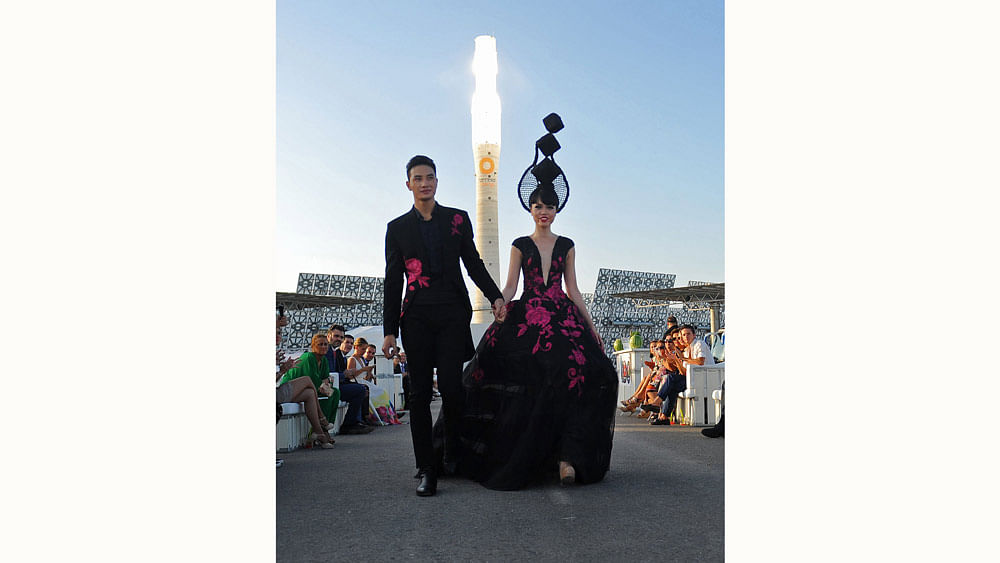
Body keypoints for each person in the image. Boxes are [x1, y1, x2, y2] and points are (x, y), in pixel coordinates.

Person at [440, 182, 618, 491]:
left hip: (563, 316)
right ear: (530, 209)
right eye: (538, 206)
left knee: (591, 373)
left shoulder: (567, 244)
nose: (543, 212)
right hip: (529, 316)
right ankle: (540, 457)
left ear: (557, 210)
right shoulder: (520, 244)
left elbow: (572, 289)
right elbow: (511, 285)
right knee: (532, 380)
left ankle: (568, 457)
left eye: (549, 207)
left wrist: (591, 327)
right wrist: (499, 304)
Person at [382, 154, 506, 497]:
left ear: (437, 181)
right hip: (416, 316)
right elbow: (393, 280)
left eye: (430, 177)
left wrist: (496, 297)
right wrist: (389, 329)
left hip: (453, 313)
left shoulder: (457, 219)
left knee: (452, 388)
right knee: (419, 394)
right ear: (408, 184)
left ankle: (454, 452)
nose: (425, 183)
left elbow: (473, 264)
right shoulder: (397, 228)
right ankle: (427, 468)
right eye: (418, 178)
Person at [276, 332, 339, 447]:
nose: (324, 347)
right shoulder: (309, 357)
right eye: (320, 344)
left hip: (306, 390)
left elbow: (324, 380)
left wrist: (327, 387)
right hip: (290, 388)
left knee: (327, 393)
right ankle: (322, 420)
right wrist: (325, 387)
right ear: (313, 346)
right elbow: (313, 380)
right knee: (308, 381)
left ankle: (320, 432)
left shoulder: (323, 360)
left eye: (326, 344)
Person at [324, 324, 373, 436]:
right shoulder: (327, 351)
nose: (339, 339)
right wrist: (344, 375)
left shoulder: (333, 352)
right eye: (336, 336)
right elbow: (330, 374)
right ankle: (350, 423)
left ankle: (356, 421)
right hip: (328, 387)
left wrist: (344, 376)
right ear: (328, 336)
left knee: (360, 389)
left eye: (341, 337)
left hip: (336, 384)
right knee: (359, 390)